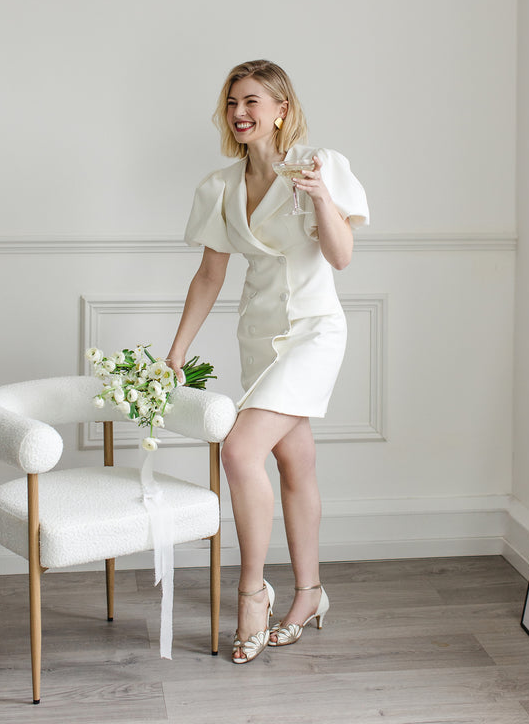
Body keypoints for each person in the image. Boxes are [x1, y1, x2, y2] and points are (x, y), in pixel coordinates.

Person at [166, 59, 369, 664]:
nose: (240, 114)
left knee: (238, 449)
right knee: (295, 463)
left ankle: (252, 593)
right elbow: (210, 274)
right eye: (232, 103)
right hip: (258, 338)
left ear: (282, 109)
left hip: (314, 333)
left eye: (253, 101)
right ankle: (311, 593)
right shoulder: (220, 187)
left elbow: (342, 257)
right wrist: (177, 351)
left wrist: (323, 199)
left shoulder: (319, 165)